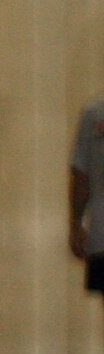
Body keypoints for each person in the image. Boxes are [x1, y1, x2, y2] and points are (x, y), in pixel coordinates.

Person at [70, 95, 104, 332]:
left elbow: (81, 176)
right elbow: (81, 176)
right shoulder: (94, 114)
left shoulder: (94, 113)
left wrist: (76, 224)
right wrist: (75, 224)